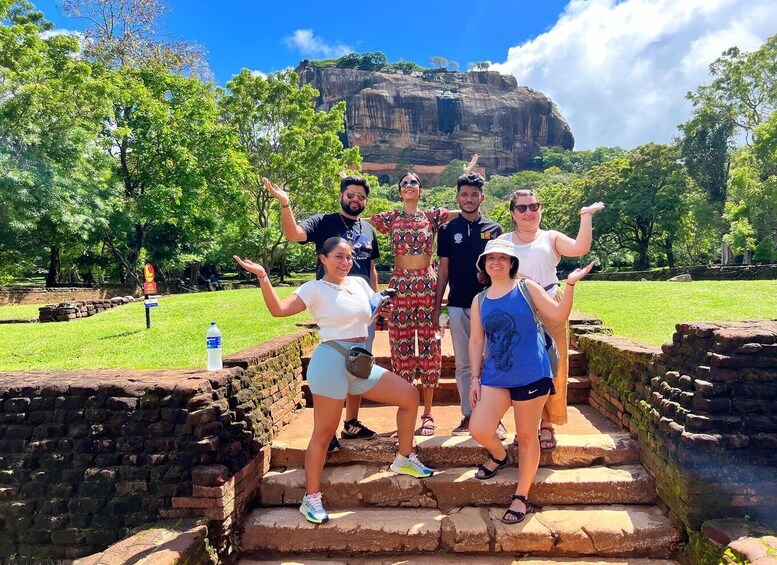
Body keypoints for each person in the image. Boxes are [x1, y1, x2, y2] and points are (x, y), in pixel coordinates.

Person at [234, 238, 433, 524]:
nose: (345, 262)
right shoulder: (313, 289)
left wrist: (381, 312)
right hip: (330, 362)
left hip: (359, 361)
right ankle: (311, 498)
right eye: (338, 256)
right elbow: (278, 310)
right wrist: (263, 277)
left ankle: (404, 457)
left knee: (409, 396)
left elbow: (367, 315)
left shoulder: (359, 284)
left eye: (349, 257)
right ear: (323, 258)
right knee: (324, 433)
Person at [468, 238, 593, 524]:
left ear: (512, 263)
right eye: (491, 258)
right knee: (479, 428)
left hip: (531, 373)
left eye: (502, 257)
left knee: (527, 435)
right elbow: (477, 340)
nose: (496, 262)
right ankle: (500, 456)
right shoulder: (480, 300)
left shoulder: (527, 288)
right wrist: (475, 378)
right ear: (484, 265)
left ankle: (521, 495)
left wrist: (570, 285)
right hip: (496, 375)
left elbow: (559, 314)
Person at [265, 175, 380, 451]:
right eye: (350, 195)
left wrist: (375, 303)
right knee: (335, 368)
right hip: (333, 303)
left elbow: (372, 268)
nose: (355, 200)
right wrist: (285, 204)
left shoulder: (368, 228)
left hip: (362, 303)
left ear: (366, 200)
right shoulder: (324, 222)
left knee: (360, 364)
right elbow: (294, 235)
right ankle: (327, 431)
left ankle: (351, 422)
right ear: (342, 195)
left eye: (361, 197)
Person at [498, 190, 604, 451]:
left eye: (533, 206)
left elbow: (580, 248)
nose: (528, 212)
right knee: (521, 368)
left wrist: (586, 216)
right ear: (512, 213)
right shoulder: (503, 241)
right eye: (521, 208)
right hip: (517, 308)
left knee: (554, 366)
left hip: (550, 302)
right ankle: (527, 425)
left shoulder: (550, 237)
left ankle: (547, 423)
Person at [366, 172, 459, 436]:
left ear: (421, 190)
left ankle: (428, 414)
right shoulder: (391, 218)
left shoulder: (431, 216)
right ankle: (407, 411)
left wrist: (463, 181)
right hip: (399, 286)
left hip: (427, 285)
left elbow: (459, 211)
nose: (409, 186)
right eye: (404, 183)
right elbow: (359, 219)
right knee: (401, 348)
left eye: (414, 183)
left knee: (430, 348)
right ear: (399, 191)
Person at [434, 172, 506, 438]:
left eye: (474, 194)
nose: (469, 199)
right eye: (464, 194)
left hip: (491, 303)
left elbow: (504, 267)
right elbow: (443, 271)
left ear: (482, 197)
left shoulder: (494, 229)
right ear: (457, 197)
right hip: (458, 304)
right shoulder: (447, 230)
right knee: (464, 364)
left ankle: (493, 416)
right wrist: (436, 307)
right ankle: (469, 414)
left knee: (491, 362)